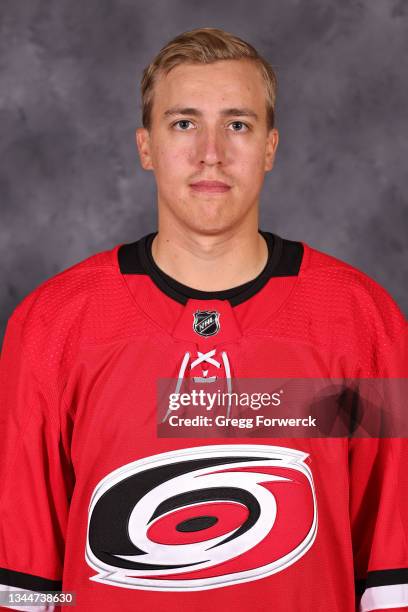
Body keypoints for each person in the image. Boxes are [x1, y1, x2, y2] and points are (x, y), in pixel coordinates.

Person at [0, 27, 406, 612]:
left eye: (237, 124)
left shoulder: (363, 323)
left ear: (270, 146)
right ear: (146, 146)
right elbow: (24, 582)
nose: (210, 152)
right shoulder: (52, 325)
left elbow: (392, 571)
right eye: (184, 123)